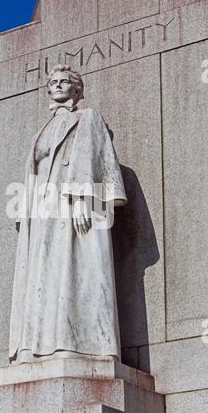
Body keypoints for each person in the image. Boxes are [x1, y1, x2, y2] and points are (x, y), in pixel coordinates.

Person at [9, 65, 127, 364]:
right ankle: (35, 346)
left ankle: (75, 342)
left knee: (74, 272)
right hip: (44, 210)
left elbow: (97, 158)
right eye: (54, 82)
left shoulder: (87, 117)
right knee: (42, 279)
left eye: (65, 81)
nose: (59, 85)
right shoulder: (41, 131)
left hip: (73, 204)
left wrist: (84, 200)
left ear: (77, 89)